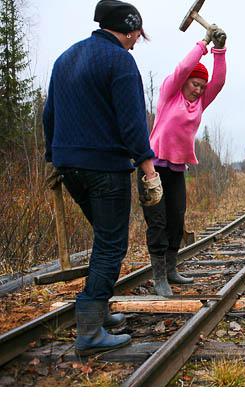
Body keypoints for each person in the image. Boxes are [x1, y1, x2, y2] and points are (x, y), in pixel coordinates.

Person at [43, 0, 163, 356]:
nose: (136, 42)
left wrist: (54, 156)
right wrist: (148, 167)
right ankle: (90, 330)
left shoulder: (65, 57)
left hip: (69, 165)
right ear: (128, 29)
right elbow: (132, 122)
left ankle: (98, 310)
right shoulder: (120, 61)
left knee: (103, 238)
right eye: (137, 35)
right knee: (112, 244)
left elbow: (50, 114)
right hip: (104, 167)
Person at [138, 24, 227, 295]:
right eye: (195, 83)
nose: (199, 90)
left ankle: (172, 269)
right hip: (152, 168)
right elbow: (181, 68)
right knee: (158, 221)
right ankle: (159, 278)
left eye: (202, 86)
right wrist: (203, 44)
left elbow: (219, 82)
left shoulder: (199, 103)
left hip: (176, 169)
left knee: (176, 218)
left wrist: (220, 50)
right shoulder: (169, 94)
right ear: (186, 81)